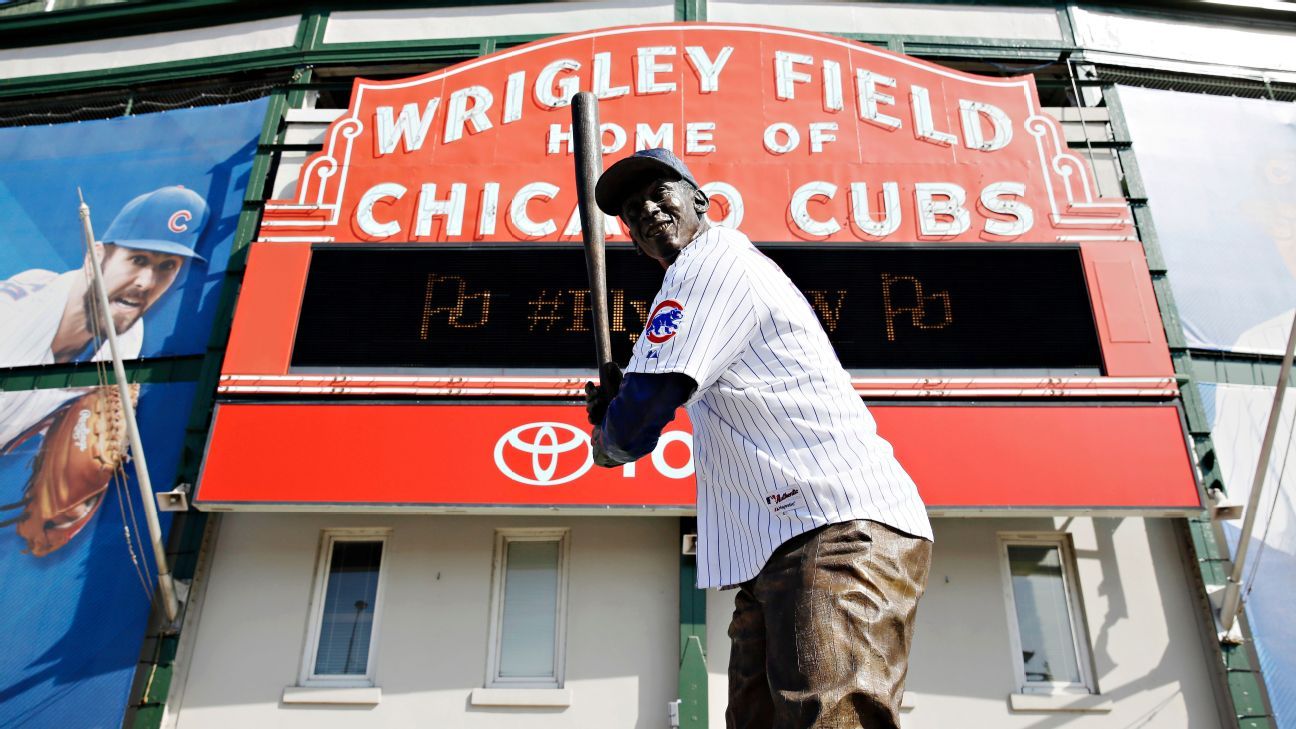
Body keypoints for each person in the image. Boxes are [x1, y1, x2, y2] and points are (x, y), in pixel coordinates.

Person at [585, 148, 932, 729]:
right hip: (784, 545)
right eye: (629, 209)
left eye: (658, 192)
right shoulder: (704, 275)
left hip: (836, 529)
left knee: (830, 721)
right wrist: (621, 408)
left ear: (700, 200)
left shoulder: (708, 266)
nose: (644, 210)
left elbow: (638, 419)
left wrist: (608, 431)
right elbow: (643, 398)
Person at [0, 186, 209, 555]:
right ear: (97, 255)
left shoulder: (127, 340)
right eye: (138, 259)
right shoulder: (13, 315)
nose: (146, 282)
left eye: (167, 267)